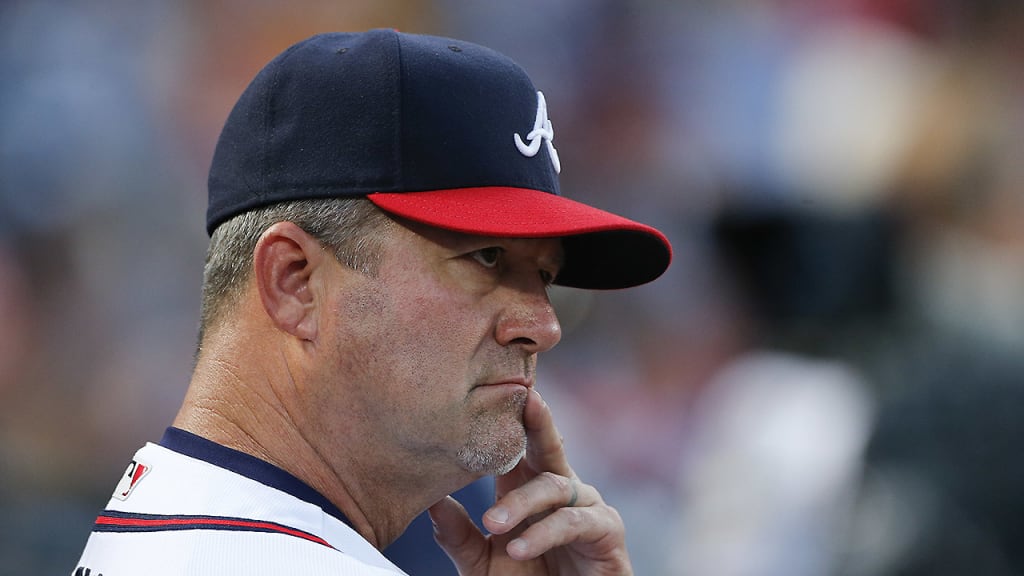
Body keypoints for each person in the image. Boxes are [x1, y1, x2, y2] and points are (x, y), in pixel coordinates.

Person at [72, 29, 672, 575]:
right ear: (295, 282)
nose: (542, 325)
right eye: (486, 257)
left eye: (544, 276)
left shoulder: (176, 521)